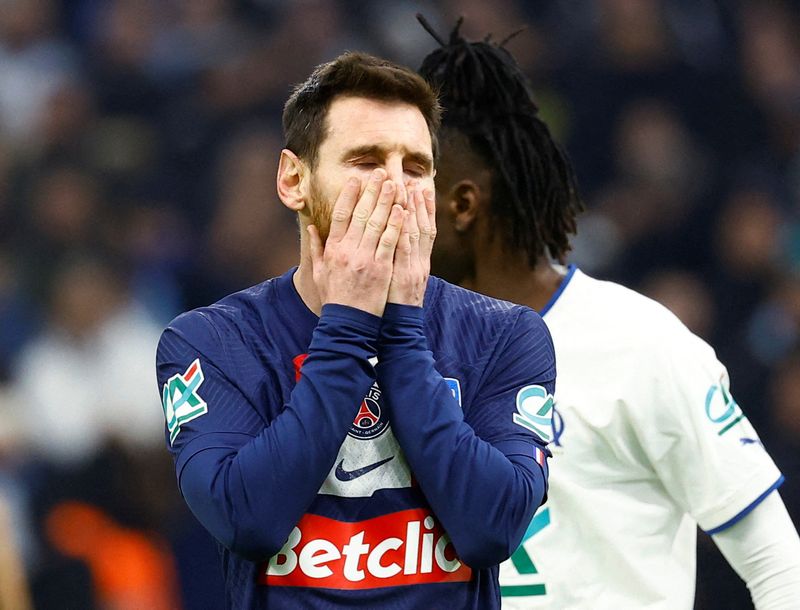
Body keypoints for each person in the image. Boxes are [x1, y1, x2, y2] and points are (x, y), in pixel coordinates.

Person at [417, 18, 800, 610]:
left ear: (462, 204)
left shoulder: (637, 343)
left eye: (409, 186)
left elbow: (776, 561)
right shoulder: (388, 362)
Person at [155, 51, 556, 609]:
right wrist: (347, 328)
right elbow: (247, 520)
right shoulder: (211, 342)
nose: (395, 186)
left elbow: (493, 529)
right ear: (294, 181)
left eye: (415, 167)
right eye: (366, 161)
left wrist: (401, 332)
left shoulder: (506, 336)